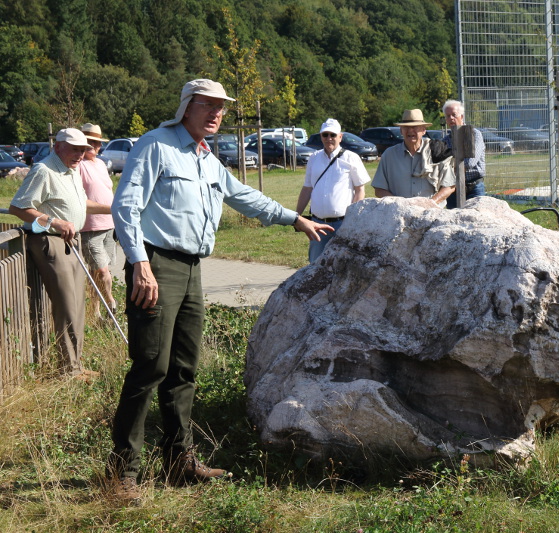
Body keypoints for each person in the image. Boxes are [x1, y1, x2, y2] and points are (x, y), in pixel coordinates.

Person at [107, 79, 332, 502]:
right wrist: (139, 263)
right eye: (208, 106)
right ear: (186, 106)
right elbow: (127, 205)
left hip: (192, 271)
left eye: (222, 108)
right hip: (156, 265)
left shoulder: (208, 159)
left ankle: (178, 462)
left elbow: (243, 196)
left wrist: (293, 219)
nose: (216, 114)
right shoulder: (156, 145)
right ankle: (122, 473)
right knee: (150, 366)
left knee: (184, 369)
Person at [8, 128, 111, 379]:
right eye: (74, 149)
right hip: (50, 241)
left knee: (77, 304)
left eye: (83, 149)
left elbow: (81, 204)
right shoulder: (44, 170)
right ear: (58, 146)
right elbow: (19, 207)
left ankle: (76, 365)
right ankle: (68, 370)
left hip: (70, 240)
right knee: (66, 305)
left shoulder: (72, 170)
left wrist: (113, 209)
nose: (80, 154)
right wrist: (55, 222)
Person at [295, 118, 370, 262]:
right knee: (315, 265)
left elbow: (360, 190)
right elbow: (307, 188)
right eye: (325, 135)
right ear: (321, 136)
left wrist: (352, 218)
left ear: (340, 137)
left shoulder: (351, 158)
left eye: (333, 135)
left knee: (342, 265)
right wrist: (297, 216)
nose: (329, 138)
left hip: (342, 223)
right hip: (317, 224)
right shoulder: (314, 158)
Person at [372, 109, 455, 205]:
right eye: (406, 127)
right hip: (399, 214)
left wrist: (430, 204)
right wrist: (399, 205)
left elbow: (449, 186)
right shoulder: (389, 155)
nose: (410, 130)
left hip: (431, 214)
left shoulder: (437, 152)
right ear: (401, 130)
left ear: (424, 130)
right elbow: (379, 189)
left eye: (415, 127)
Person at [78, 123, 116, 320]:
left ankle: (95, 313)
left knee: (99, 272)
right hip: (90, 226)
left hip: (108, 224)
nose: (94, 146)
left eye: (97, 143)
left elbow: (107, 190)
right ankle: (111, 303)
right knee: (101, 271)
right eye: (90, 142)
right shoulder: (78, 164)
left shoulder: (100, 164)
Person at [442, 99, 486, 209]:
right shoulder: (446, 140)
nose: (451, 118)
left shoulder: (475, 135)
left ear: (461, 116)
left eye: (454, 115)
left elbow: (470, 162)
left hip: (474, 188)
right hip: (453, 189)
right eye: (448, 116)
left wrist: (452, 166)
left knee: (476, 221)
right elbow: (441, 166)